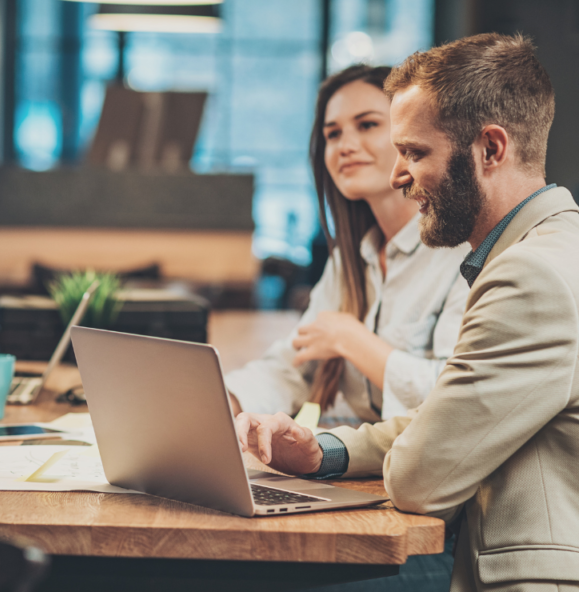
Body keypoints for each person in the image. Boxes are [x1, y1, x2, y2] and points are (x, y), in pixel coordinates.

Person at [235, 34, 579, 591]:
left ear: (491, 149)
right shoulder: (535, 252)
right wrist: (325, 451)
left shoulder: (529, 275)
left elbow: (422, 475)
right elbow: (448, 417)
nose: (399, 176)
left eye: (415, 153)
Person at [225, 65, 469, 423]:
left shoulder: (463, 254)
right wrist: (221, 402)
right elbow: (294, 367)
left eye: (367, 125)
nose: (345, 146)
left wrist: (352, 340)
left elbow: (459, 402)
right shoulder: (351, 259)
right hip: (360, 468)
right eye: (333, 133)